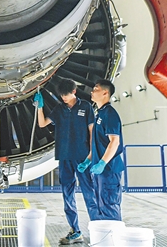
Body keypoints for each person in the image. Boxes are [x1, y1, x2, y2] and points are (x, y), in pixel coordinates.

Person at [34, 78, 96, 245]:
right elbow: (42, 124)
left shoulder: (86, 107)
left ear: (74, 91)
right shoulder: (59, 109)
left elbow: (92, 131)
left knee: (90, 194)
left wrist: (91, 155)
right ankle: (75, 231)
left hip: (82, 157)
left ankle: (98, 229)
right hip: (64, 156)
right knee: (67, 195)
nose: (63, 98)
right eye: (61, 95)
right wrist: (39, 107)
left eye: (66, 95)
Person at [79, 80, 124, 221]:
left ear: (105, 93)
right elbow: (98, 144)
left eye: (96, 89)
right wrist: (88, 160)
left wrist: (103, 163)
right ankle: (105, 233)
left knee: (109, 205)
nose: (92, 91)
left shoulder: (110, 114)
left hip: (109, 170)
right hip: (100, 170)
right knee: (101, 205)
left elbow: (114, 141)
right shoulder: (99, 114)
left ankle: (113, 233)